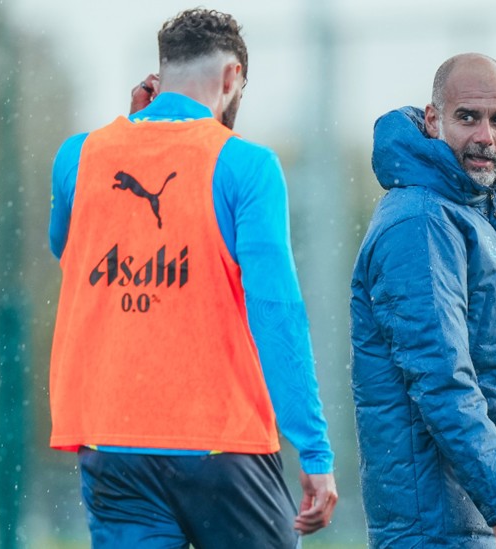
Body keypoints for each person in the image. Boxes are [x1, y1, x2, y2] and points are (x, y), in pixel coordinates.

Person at [48, 9, 337, 548]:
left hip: (113, 437)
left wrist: (133, 132)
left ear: (161, 73)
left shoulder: (78, 157)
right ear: (232, 79)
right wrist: (314, 450)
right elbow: (277, 312)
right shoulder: (247, 165)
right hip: (220, 445)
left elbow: (68, 249)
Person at [350, 53, 496, 548]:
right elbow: (442, 380)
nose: (486, 136)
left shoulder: (485, 212)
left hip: (468, 517)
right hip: (432, 529)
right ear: (433, 120)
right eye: (468, 117)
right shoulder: (421, 221)